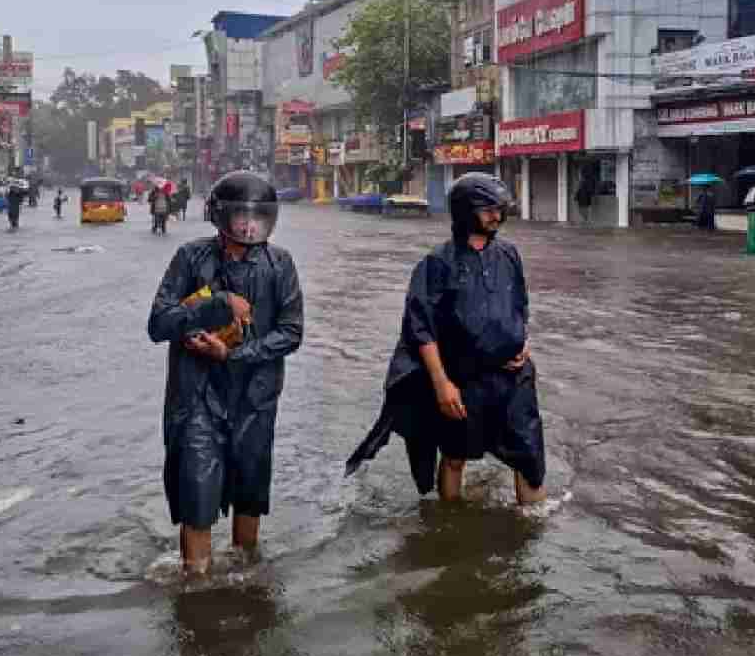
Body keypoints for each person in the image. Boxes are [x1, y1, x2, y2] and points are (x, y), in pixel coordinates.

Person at [346, 173, 546, 507]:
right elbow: (420, 328)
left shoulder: (509, 254)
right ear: (466, 212)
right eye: (488, 209)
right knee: (455, 456)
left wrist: (524, 342)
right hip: (462, 379)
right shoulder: (438, 263)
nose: (496, 216)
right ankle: (450, 522)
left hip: (514, 376)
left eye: (499, 209)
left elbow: (520, 305)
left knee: (529, 455)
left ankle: (534, 528)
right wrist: (441, 385)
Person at [147, 171, 304, 575]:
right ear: (222, 217)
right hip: (197, 396)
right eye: (241, 217)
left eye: (258, 217)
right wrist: (216, 303)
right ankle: (195, 583)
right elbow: (159, 324)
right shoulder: (190, 258)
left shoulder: (279, 264)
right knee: (197, 494)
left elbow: (291, 333)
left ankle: (247, 578)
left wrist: (232, 353)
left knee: (250, 491)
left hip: (255, 397)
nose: (250, 226)